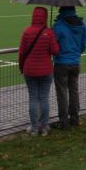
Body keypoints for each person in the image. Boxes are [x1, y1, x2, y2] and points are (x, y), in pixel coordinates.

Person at [18, 7, 59, 136]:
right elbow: (55, 51)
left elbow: (22, 53)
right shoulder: (49, 32)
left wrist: (21, 67)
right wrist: (51, 37)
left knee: (33, 98)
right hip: (46, 70)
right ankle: (45, 127)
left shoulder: (27, 32)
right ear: (45, 17)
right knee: (44, 98)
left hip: (29, 70)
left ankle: (35, 128)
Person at [51, 6, 86, 130]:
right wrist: (75, 54)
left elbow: (52, 46)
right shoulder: (81, 24)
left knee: (62, 93)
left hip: (61, 63)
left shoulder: (58, 26)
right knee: (73, 91)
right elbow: (83, 45)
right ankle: (75, 118)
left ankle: (63, 122)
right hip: (75, 62)